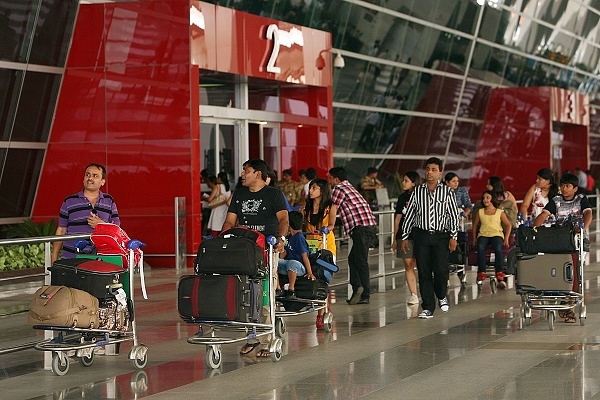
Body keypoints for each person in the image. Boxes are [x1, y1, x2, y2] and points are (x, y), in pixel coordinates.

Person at [222, 159, 289, 358]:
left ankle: (268, 340)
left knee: (265, 294)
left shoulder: (273, 194)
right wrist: (224, 239)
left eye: (246, 171)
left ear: (257, 174)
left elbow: (284, 219)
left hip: (267, 249)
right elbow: (230, 220)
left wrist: (281, 239)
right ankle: (252, 337)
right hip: (244, 249)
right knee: (244, 293)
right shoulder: (240, 194)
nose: (243, 174)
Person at [401, 157, 460, 319]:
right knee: (424, 272)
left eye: (434, 170)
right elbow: (410, 215)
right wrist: (405, 236)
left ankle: (441, 295)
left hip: (441, 236)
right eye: (427, 169)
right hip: (421, 236)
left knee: (441, 270)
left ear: (440, 173)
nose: (430, 173)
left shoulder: (447, 192)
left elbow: (453, 215)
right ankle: (427, 307)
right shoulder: (418, 192)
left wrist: (453, 236)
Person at [533, 172, 593, 323]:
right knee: (559, 270)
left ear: (575, 188)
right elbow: (543, 216)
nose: (564, 188)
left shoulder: (581, 199)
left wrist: (582, 229)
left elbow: (588, 215)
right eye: (562, 185)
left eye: (567, 186)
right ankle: (562, 299)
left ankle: (570, 306)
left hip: (577, 242)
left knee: (573, 271)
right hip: (560, 241)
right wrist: (534, 228)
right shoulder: (556, 201)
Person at [328, 167, 377, 305]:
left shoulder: (339, 188)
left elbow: (333, 206)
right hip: (368, 227)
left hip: (361, 228)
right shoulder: (349, 187)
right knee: (354, 258)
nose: (329, 181)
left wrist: (330, 225)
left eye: (330, 178)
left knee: (360, 260)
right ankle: (358, 289)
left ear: (336, 179)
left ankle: (364, 293)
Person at [52, 163, 120, 262]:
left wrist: (101, 225)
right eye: (87, 175)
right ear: (83, 179)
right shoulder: (69, 201)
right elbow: (61, 230)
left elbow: (116, 229)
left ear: (102, 182)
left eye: (95, 176)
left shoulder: (109, 201)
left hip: (101, 260)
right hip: (72, 259)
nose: (90, 178)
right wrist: (54, 256)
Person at [302, 177, 337, 329]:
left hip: (326, 248)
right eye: (311, 188)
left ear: (322, 190)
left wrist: (325, 230)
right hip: (310, 246)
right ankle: (320, 306)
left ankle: (321, 312)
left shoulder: (330, 207)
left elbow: (331, 224)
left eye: (314, 188)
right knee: (313, 276)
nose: (310, 191)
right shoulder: (306, 207)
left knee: (322, 277)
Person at [472, 190, 512, 289]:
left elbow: (508, 225)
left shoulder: (499, 212)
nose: (485, 200)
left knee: (498, 248)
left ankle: (499, 271)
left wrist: (506, 238)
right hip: (483, 234)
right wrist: (474, 238)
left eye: (488, 198)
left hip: (496, 234)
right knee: (480, 248)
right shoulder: (480, 212)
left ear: (492, 199)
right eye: (484, 198)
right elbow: (475, 225)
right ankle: (482, 271)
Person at [391, 171, 420, 305]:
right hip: (404, 236)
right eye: (403, 180)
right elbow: (397, 219)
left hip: (419, 234)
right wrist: (395, 238)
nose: (403, 183)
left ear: (414, 182)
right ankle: (413, 294)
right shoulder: (402, 197)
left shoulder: (421, 196)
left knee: (423, 265)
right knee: (408, 265)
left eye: (406, 180)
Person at [278, 211, 315, 299]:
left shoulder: (299, 238)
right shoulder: (288, 237)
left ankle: (291, 289)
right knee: (275, 262)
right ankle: (278, 288)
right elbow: (283, 254)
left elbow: (304, 256)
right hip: (287, 264)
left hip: (299, 267)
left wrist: (309, 272)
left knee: (292, 263)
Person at [204, 172, 231, 237]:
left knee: (214, 230)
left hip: (217, 210)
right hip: (225, 210)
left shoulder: (217, 186)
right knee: (223, 229)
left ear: (219, 178)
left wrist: (204, 197)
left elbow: (210, 199)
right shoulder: (228, 188)